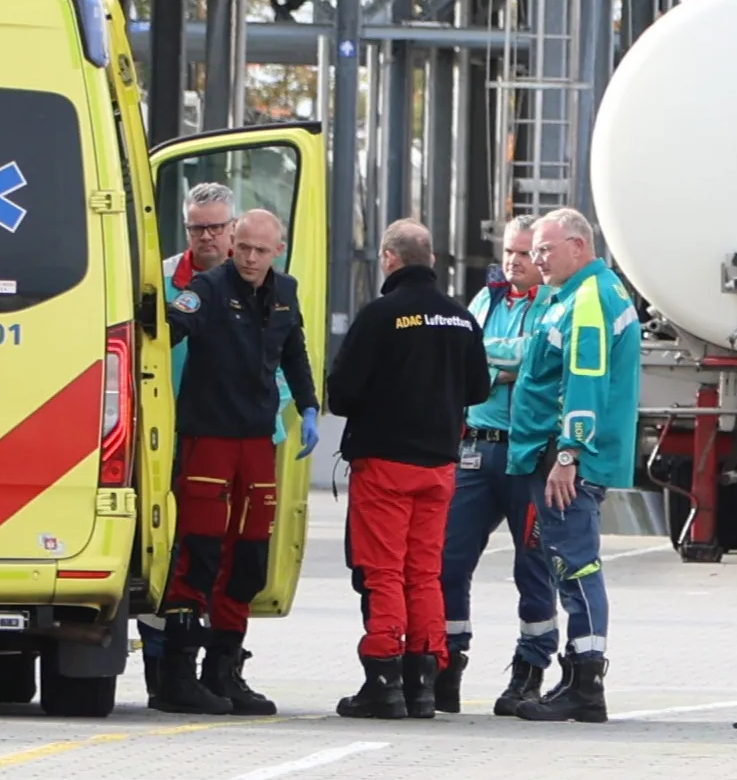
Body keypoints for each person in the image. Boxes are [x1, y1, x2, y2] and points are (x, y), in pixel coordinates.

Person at [155, 207, 318, 716]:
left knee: (248, 556)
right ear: (232, 245)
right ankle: (178, 673)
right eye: (242, 246)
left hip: (257, 442)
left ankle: (226, 671)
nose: (249, 257)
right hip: (209, 438)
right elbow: (172, 326)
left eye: (260, 250)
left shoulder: (285, 293)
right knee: (199, 550)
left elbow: (295, 352)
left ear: (278, 250)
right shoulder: (207, 287)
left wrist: (311, 406)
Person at [326, 219, 487, 719]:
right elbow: (479, 390)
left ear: (390, 259)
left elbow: (343, 393)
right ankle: (423, 680)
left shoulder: (380, 315)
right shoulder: (461, 318)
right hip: (439, 466)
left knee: (383, 571)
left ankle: (383, 677)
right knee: (424, 573)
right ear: (432, 261)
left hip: (385, 465)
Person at [507, 206, 642, 723]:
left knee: (576, 565)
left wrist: (568, 454)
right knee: (570, 564)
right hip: (563, 456)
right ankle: (578, 678)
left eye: (545, 248)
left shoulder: (586, 301)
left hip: (567, 461)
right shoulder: (580, 295)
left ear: (578, 247)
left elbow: (584, 384)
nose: (537, 259)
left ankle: (585, 682)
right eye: (534, 250)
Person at [436, 215, 556, 715]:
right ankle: (446, 662)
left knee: (532, 567)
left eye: (525, 253)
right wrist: (506, 364)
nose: (514, 262)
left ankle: (529, 670)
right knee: (447, 561)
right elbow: (467, 354)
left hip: (528, 455)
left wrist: (502, 362)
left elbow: (538, 358)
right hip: (474, 449)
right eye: (509, 251)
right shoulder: (485, 299)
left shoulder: (553, 302)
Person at [142, 182, 242, 702]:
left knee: (226, 555)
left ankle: (220, 666)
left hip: (228, 438)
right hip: (167, 439)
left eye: (215, 227)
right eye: (195, 227)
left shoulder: (252, 283)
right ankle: (165, 671)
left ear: (233, 229)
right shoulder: (159, 281)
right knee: (170, 552)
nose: (205, 236)